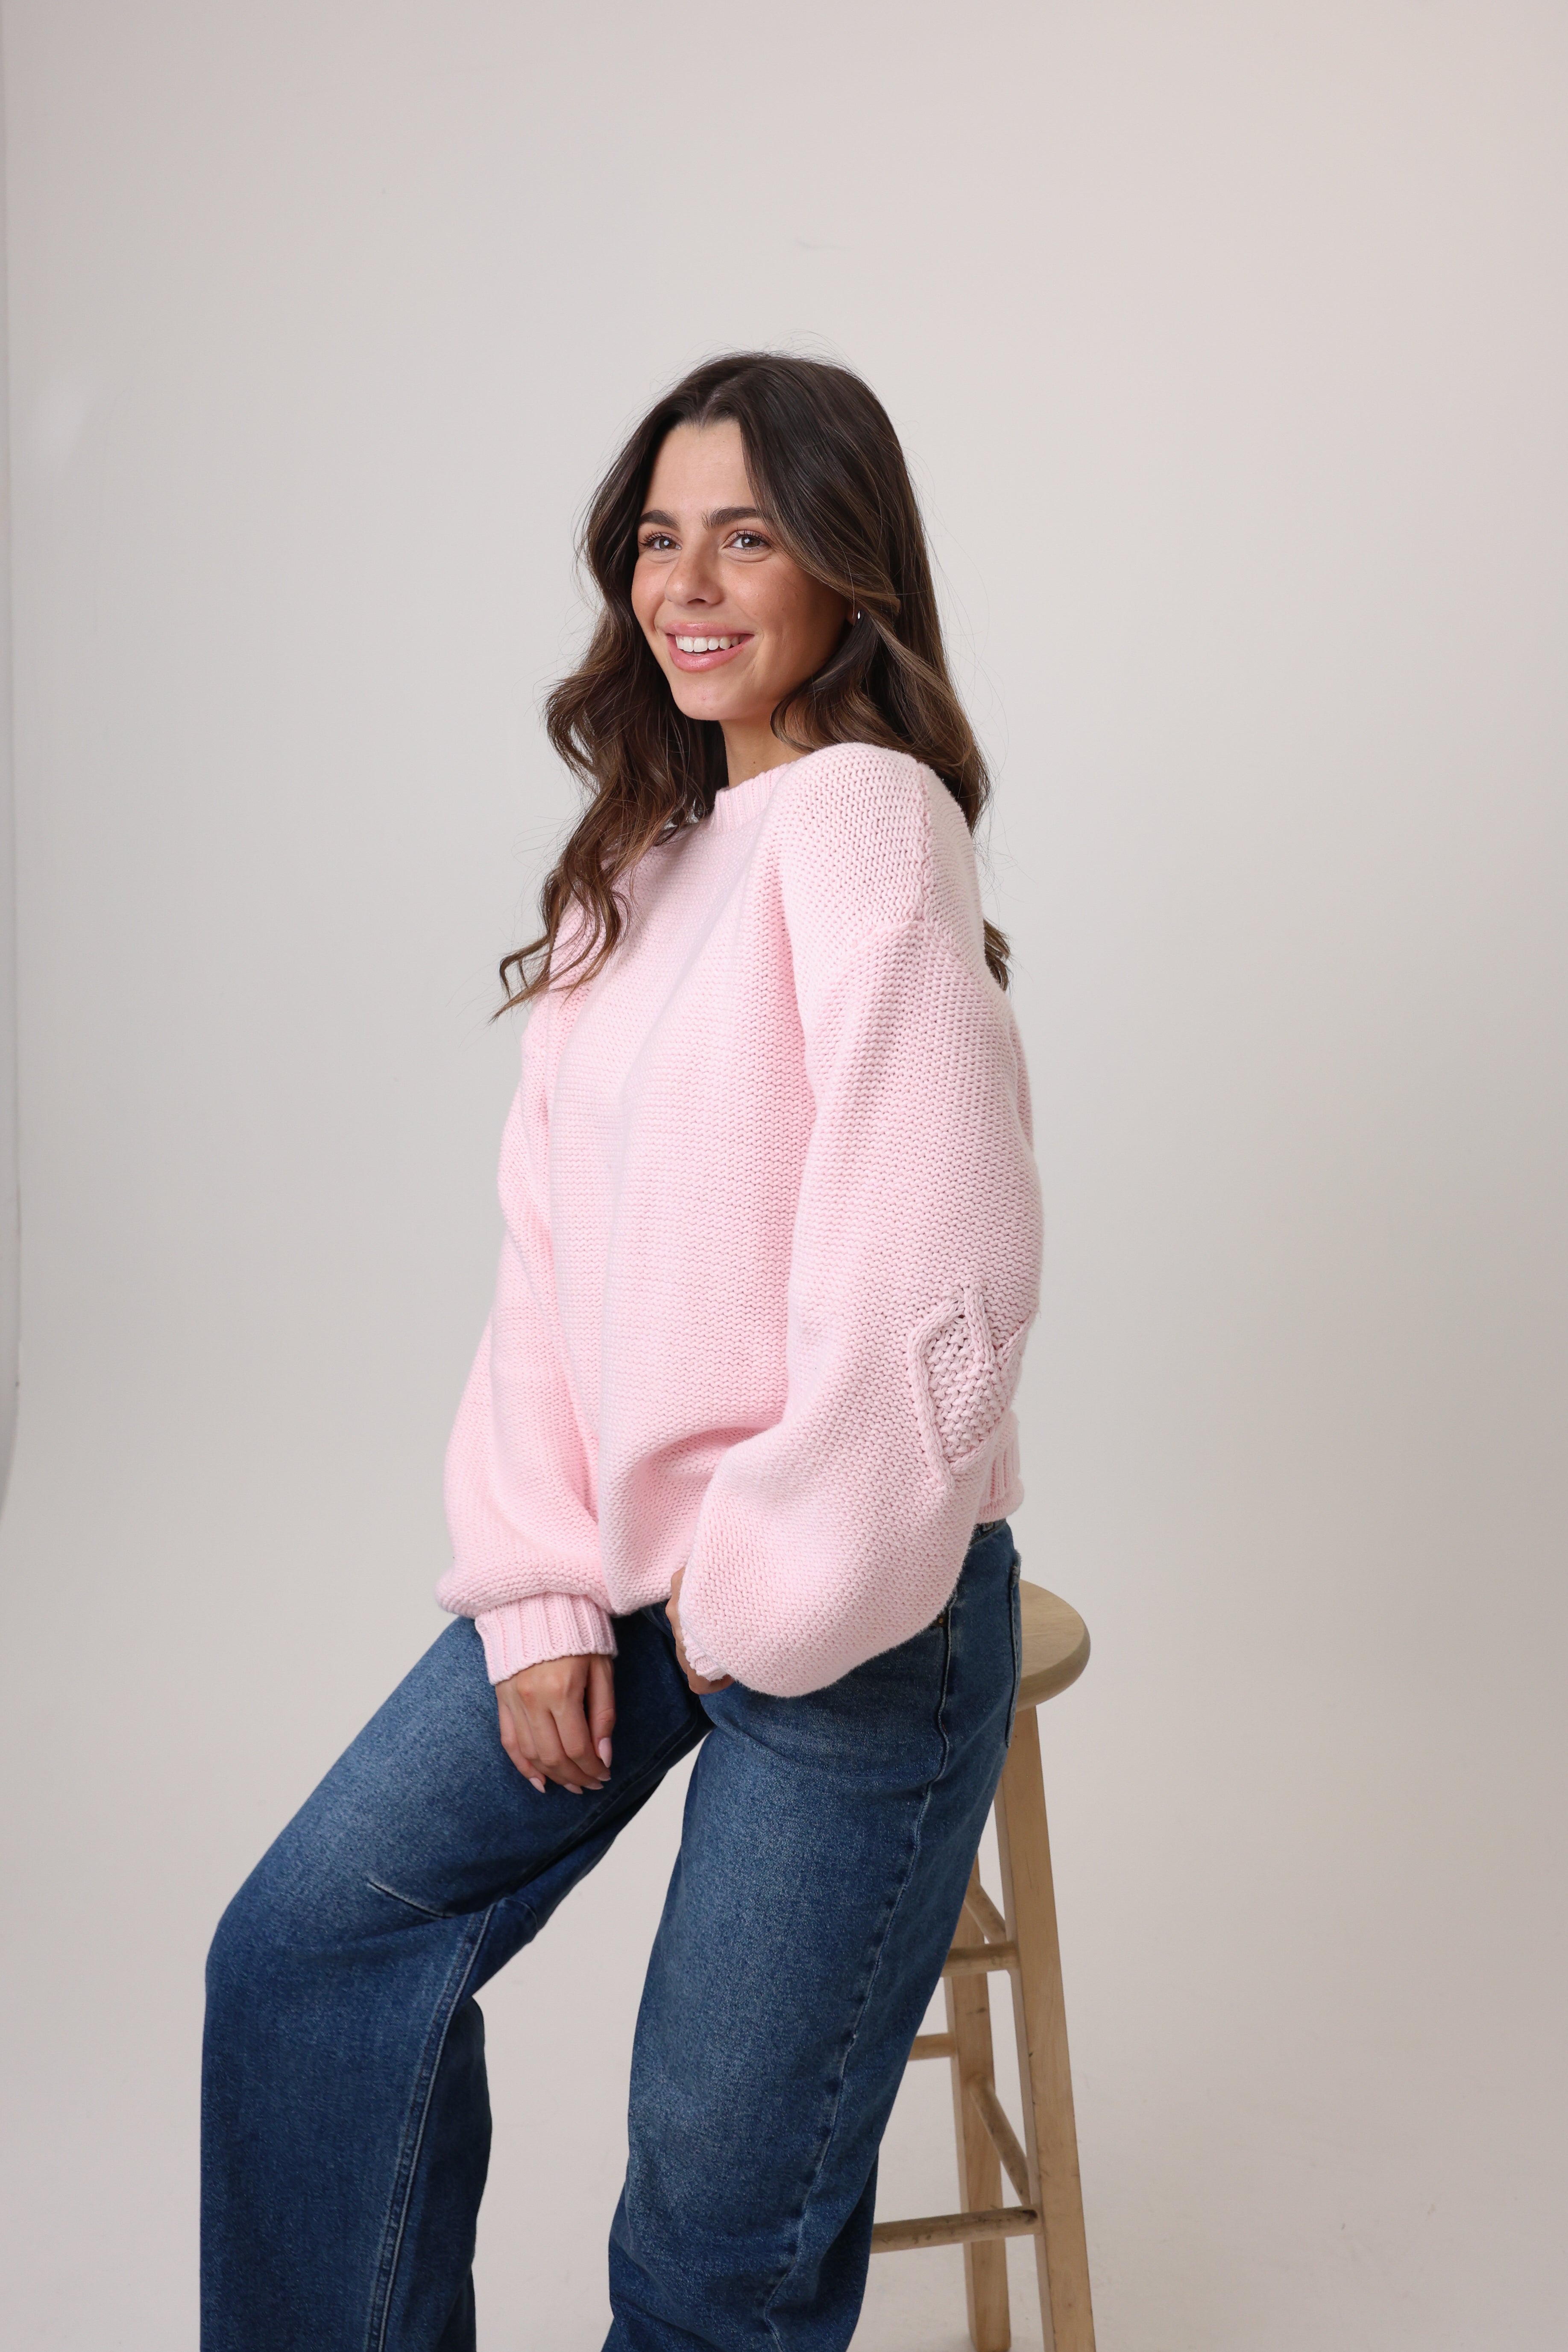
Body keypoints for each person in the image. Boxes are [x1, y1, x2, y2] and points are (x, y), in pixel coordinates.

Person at [201, 351, 1043, 2352]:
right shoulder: (642, 861)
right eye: (661, 538)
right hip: (642, 1577)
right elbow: (546, 1274)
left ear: (852, 568)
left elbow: (949, 1272)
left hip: (855, 1615)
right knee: (306, 1954)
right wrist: (543, 1588)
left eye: (748, 534)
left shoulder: (866, 824)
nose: (690, 582)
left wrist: (758, 1590)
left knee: (702, 2240)